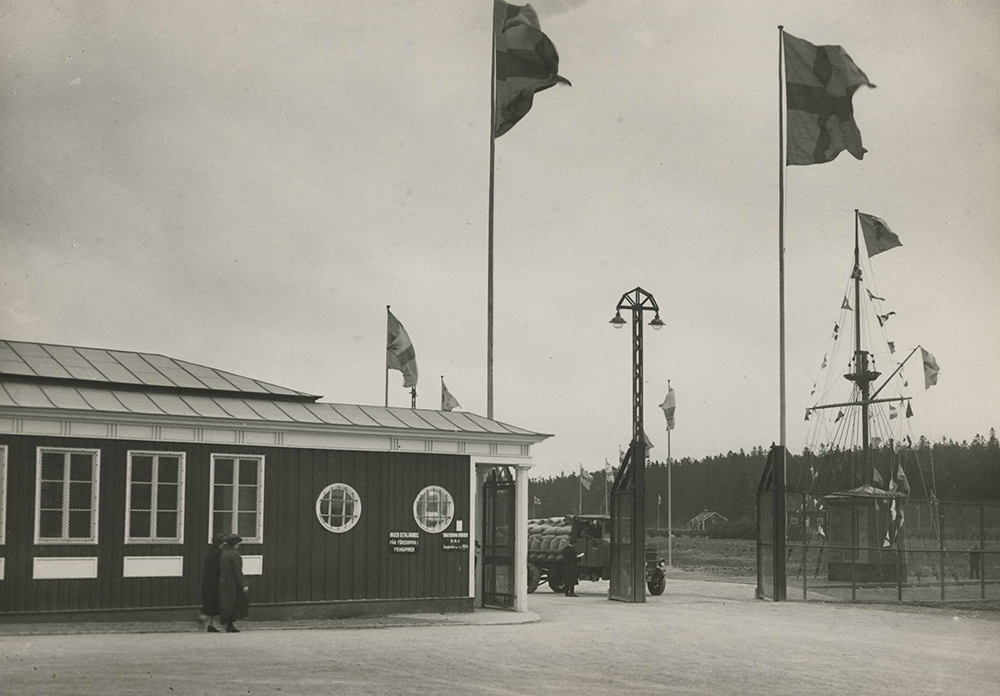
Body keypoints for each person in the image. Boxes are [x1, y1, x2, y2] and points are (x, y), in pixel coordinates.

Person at [218, 534, 249, 633]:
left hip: (223, 581)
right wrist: (243, 584)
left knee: (226, 602)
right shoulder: (234, 555)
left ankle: (225, 620)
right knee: (233, 602)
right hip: (232, 582)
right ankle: (230, 624)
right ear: (236, 544)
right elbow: (237, 570)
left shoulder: (224, 553)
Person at [199, 533, 225, 632]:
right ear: (221, 543)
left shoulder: (210, 552)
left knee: (210, 602)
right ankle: (205, 620)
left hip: (207, 580)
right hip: (214, 581)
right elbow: (218, 568)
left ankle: (211, 624)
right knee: (213, 602)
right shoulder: (218, 553)